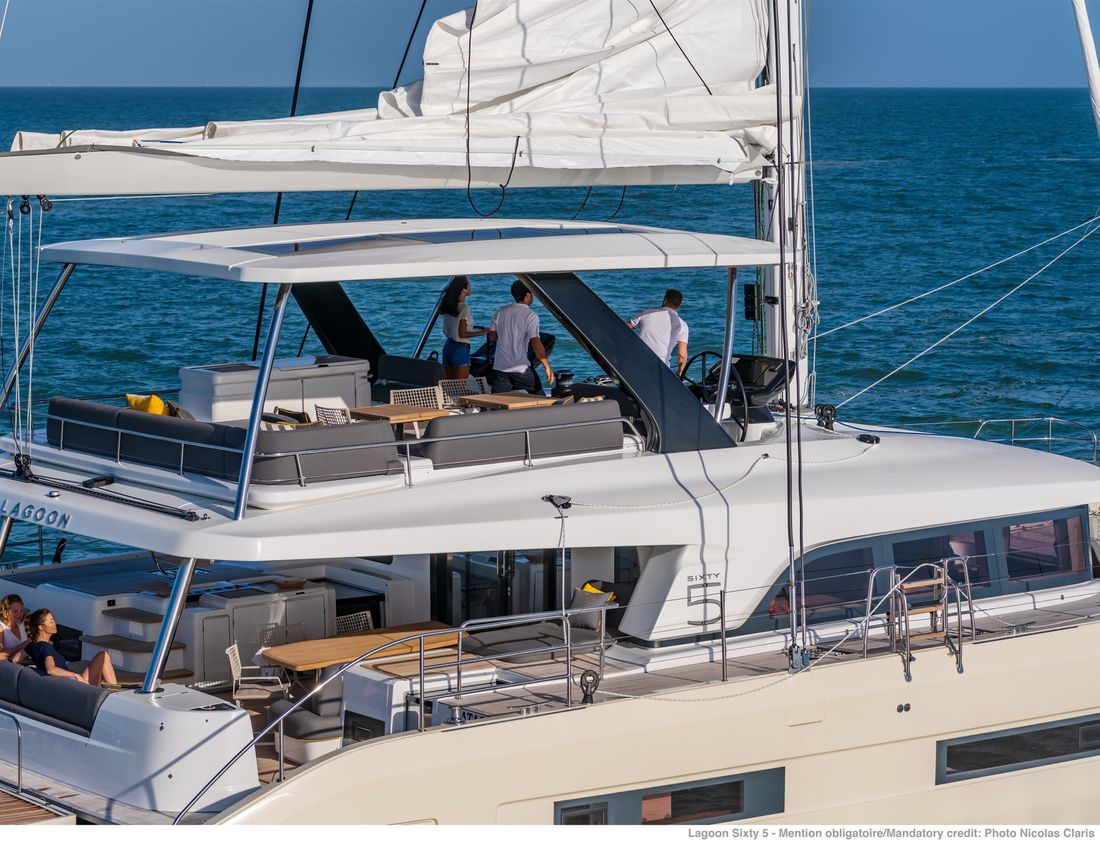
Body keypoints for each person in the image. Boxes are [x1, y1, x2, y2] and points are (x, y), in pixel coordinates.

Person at [487, 280, 555, 394]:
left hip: (500, 367)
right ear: (527, 295)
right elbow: (535, 342)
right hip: (520, 368)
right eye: (532, 293)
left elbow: (492, 337)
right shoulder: (531, 316)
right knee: (539, 396)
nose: (533, 296)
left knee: (496, 400)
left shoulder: (500, 312)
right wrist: (547, 366)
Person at [25, 608, 118, 687]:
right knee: (103, 656)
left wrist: (33, 663)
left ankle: (113, 690)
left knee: (102, 660)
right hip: (73, 686)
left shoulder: (32, 646)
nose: (55, 623)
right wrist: (76, 676)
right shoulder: (46, 647)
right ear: (41, 627)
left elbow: (17, 659)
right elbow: (51, 670)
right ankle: (114, 693)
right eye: (51, 621)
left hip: (64, 685)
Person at [627, 289, 689, 375]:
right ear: (679, 306)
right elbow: (682, 355)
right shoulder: (682, 325)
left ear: (665, 300)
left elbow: (624, 327)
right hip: (660, 371)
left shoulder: (647, 313)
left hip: (636, 363)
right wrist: (679, 372)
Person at [439, 275, 488, 381]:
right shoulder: (464, 308)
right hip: (460, 349)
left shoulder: (448, 306)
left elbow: (446, 331)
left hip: (448, 347)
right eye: (469, 284)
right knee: (460, 386)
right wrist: (483, 332)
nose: (471, 286)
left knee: (449, 386)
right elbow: (462, 334)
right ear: (463, 289)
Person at [0, 594, 29, 663]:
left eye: (21, 610)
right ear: (6, 612)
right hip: (11, 666)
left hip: (26, 661)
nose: (19, 614)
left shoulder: (23, 622)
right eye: (15, 611)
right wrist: (23, 645)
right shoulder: (1, 627)